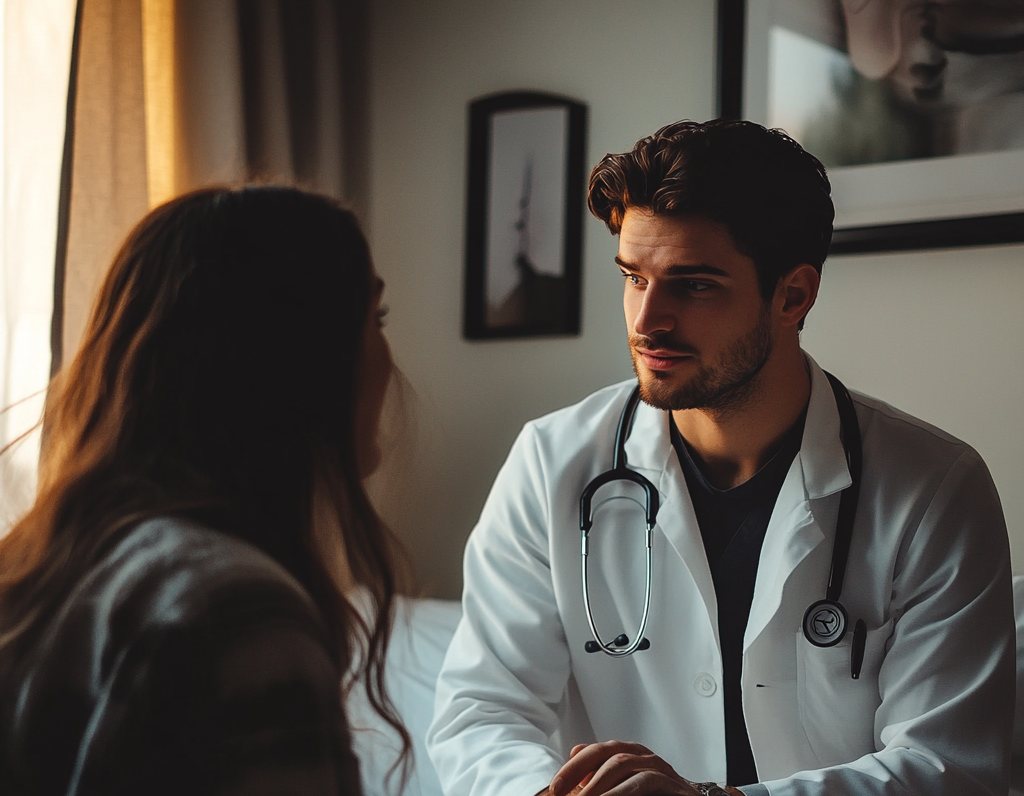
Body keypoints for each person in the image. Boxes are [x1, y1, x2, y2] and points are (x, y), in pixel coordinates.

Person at [427, 120, 1014, 796]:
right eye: (633, 277)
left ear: (793, 296)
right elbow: (482, 712)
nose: (647, 320)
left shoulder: (935, 490)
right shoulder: (551, 464)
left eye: (694, 285)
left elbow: (949, 767)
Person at [0, 186, 409, 795]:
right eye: (372, 320)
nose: (387, 356)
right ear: (293, 359)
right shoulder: (241, 615)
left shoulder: (41, 571)